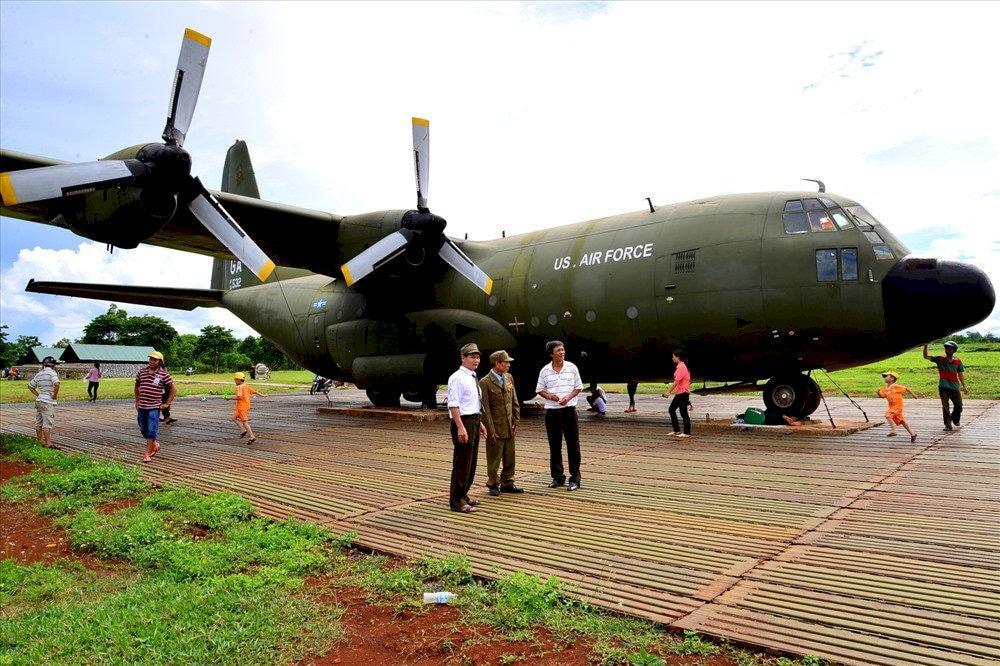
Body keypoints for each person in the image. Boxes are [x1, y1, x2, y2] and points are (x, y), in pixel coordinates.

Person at [535, 340, 584, 491]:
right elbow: (540, 389)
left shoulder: (572, 368)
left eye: (563, 350)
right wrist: (549, 396)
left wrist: (567, 398)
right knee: (554, 446)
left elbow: (578, 387)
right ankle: (558, 477)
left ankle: (575, 479)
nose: (562, 352)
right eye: (558, 350)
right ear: (551, 354)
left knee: (573, 445)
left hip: (569, 411)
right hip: (552, 413)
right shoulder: (545, 371)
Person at [446, 343, 488, 513]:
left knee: (471, 462)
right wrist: (460, 427)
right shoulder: (457, 377)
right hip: (463, 422)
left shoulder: (472, 376)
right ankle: (456, 501)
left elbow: (472, 403)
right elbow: (453, 404)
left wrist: (480, 424)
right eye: (472, 356)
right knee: (462, 462)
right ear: (463, 358)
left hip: (474, 420)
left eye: (477, 357)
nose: (475, 360)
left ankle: (463, 494)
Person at [479, 350, 522, 497]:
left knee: (510, 456)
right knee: (494, 458)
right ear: (497, 364)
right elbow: (485, 409)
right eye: (506, 362)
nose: (509, 365)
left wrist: (516, 421)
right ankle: (493, 483)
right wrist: (490, 430)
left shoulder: (508, 377)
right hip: (496, 427)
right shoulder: (485, 382)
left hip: (509, 426)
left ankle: (508, 482)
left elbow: (514, 401)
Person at [135, 351, 175, 463]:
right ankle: (155, 444)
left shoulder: (164, 375)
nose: (152, 361)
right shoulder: (141, 372)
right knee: (143, 429)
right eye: (151, 359)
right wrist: (137, 400)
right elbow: (137, 385)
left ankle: (147, 454)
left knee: (152, 430)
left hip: (154, 406)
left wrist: (167, 403)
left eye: (155, 359)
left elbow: (172, 389)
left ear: (160, 362)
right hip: (142, 405)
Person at [923, 341, 968, 431]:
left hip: (955, 387)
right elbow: (926, 356)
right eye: (946, 348)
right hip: (943, 387)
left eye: (949, 348)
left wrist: (964, 386)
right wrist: (925, 345)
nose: (947, 350)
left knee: (959, 406)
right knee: (945, 407)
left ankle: (955, 419)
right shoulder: (940, 359)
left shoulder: (958, 361)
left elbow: (960, 374)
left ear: (954, 350)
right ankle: (948, 425)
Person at [27, 356, 60, 448]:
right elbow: (57, 384)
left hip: (39, 400)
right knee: (47, 423)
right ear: (53, 365)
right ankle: (48, 443)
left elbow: (30, 386)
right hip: (47, 401)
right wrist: (55, 395)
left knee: (39, 422)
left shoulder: (39, 374)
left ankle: (39, 440)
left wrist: (38, 395)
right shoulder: (52, 373)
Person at [876, 371, 918, 442]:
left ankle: (894, 430)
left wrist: (914, 395)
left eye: (886, 376)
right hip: (892, 406)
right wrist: (878, 393)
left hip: (897, 406)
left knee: (887, 415)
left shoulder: (895, 386)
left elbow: (906, 388)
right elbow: (882, 396)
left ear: (892, 378)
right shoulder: (885, 388)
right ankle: (912, 434)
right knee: (902, 421)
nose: (885, 378)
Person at [226, 372, 266, 443]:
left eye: (235, 380)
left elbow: (239, 397)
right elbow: (255, 392)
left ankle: (252, 436)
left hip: (242, 407)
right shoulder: (246, 386)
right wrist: (263, 395)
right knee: (233, 418)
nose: (234, 381)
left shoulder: (239, 387)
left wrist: (229, 398)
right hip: (242, 407)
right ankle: (243, 430)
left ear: (238, 380)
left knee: (245, 422)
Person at [665, 349, 692, 437]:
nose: (672, 358)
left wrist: (668, 392)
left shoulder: (681, 367)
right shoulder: (681, 366)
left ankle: (687, 433)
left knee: (683, 412)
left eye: (673, 357)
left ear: (678, 357)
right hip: (680, 392)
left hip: (683, 393)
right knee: (672, 409)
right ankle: (676, 430)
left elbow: (676, 381)